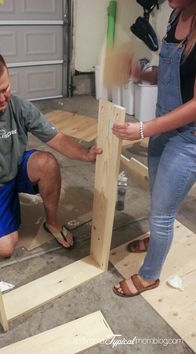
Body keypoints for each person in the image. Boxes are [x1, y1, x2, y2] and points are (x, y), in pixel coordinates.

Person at [0, 49, 102, 258]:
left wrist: (86, 154)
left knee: (48, 163)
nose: (2, 98)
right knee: (4, 249)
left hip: (15, 168)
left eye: (5, 88)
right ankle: (2, 207)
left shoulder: (19, 107)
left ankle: (52, 223)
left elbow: (58, 139)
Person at [112, 0, 196, 297]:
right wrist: (140, 73)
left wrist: (144, 128)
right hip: (164, 126)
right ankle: (157, 239)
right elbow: (172, 74)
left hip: (189, 140)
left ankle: (149, 276)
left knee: (162, 213)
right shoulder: (175, 16)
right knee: (159, 197)